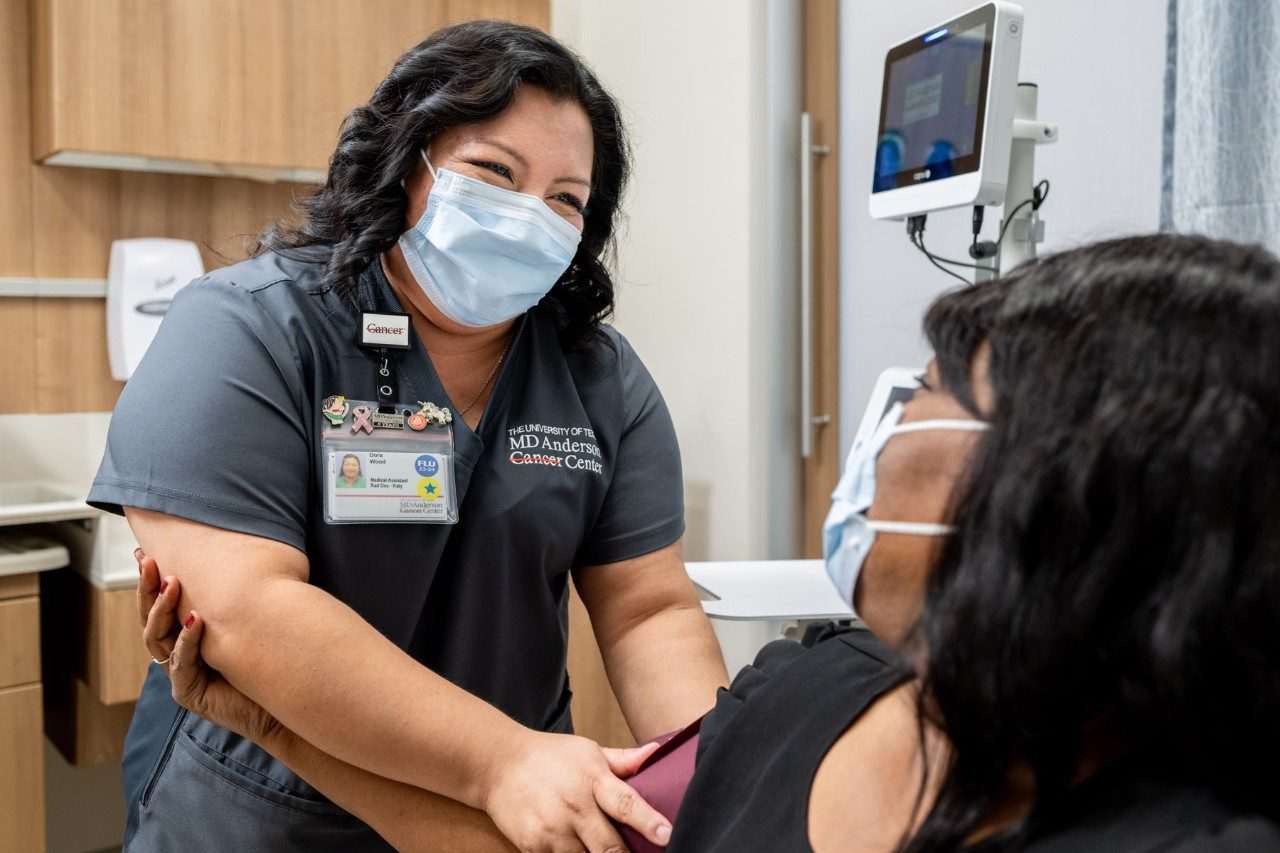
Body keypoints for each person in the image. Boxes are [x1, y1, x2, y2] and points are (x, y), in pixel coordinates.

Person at [95, 19, 727, 852]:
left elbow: (648, 607)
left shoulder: (596, 376)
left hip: (513, 821)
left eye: (565, 199)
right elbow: (246, 608)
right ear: (404, 165)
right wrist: (501, 760)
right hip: (268, 809)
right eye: (494, 174)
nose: (527, 215)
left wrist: (723, 787)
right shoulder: (247, 330)